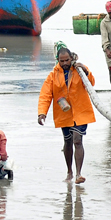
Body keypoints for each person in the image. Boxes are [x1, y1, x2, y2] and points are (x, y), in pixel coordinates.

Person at [37, 45, 96, 184]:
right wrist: (42, 113)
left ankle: (78, 174)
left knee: (77, 140)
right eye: (62, 61)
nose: (64, 63)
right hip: (64, 113)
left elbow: (91, 83)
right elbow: (45, 94)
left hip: (81, 111)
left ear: (71, 58)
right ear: (58, 60)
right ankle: (69, 172)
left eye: (67, 60)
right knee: (68, 141)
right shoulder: (53, 75)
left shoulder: (79, 70)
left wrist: (86, 71)